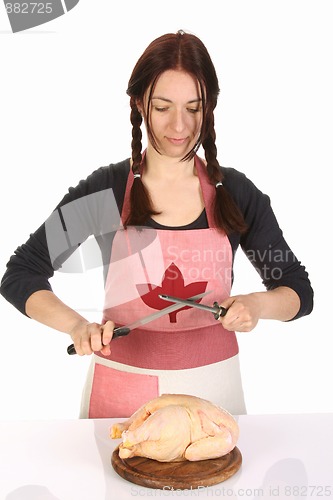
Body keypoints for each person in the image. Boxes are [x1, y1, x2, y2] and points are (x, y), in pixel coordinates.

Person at [0, 30, 313, 418]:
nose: (179, 126)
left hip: (214, 393)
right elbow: (21, 274)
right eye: (163, 107)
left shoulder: (236, 193)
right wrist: (77, 326)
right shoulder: (108, 192)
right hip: (122, 392)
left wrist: (257, 304)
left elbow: (297, 291)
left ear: (209, 108)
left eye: (193, 108)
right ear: (139, 103)